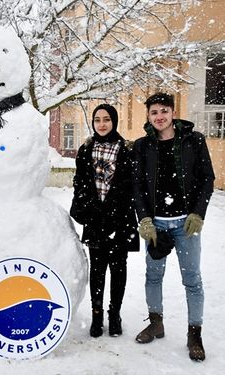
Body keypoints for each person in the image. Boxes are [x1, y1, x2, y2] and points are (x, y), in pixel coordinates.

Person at [132, 92, 214, 361]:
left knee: (192, 280)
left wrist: (198, 213)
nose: (159, 116)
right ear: (148, 116)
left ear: (173, 112)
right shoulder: (143, 146)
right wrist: (144, 219)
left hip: (185, 225)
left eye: (164, 111)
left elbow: (207, 179)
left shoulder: (193, 141)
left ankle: (194, 334)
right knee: (153, 276)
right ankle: (156, 322)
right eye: (154, 112)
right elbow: (138, 186)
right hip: (156, 226)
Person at [70, 104, 139, 338]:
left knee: (118, 270)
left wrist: (117, 211)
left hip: (120, 221)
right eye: (97, 119)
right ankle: (97, 315)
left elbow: (131, 187)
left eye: (106, 119)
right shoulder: (86, 148)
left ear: (114, 121)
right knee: (97, 270)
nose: (102, 124)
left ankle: (114, 314)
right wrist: (84, 207)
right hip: (95, 219)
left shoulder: (127, 149)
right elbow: (80, 182)